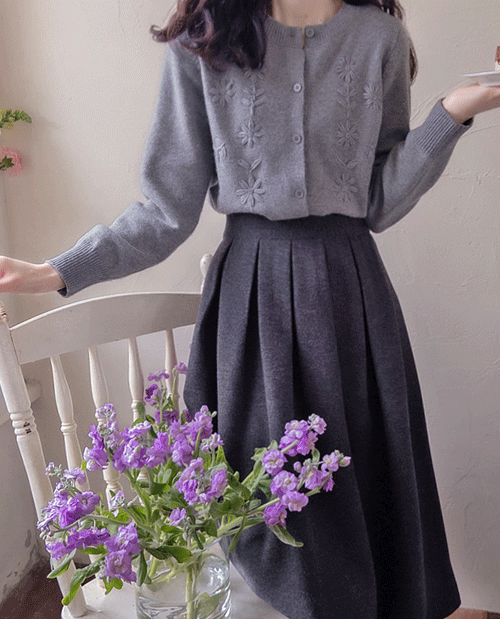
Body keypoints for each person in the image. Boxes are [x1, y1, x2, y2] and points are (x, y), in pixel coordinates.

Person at [1, 1, 500, 618]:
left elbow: (377, 200)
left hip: (351, 299)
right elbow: (164, 211)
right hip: (251, 301)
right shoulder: (204, 40)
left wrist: (452, 112)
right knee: (262, 501)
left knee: (362, 487)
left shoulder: (380, 39)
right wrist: (55, 271)